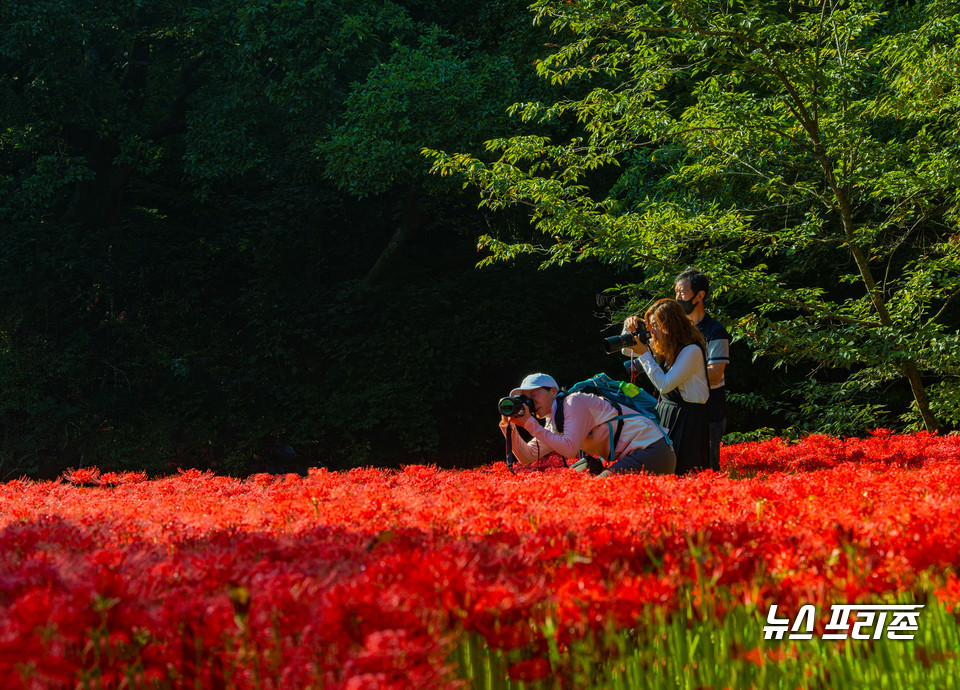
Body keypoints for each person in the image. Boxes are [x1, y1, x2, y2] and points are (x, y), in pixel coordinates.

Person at [499, 373, 675, 476]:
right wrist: (511, 428)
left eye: (534, 394)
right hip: (642, 454)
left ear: (553, 391)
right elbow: (527, 455)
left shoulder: (573, 403)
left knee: (599, 490)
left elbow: (569, 449)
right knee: (578, 481)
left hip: (652, 450)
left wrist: (530, 423)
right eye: (525, 398)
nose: (530, 401)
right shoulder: (554, 421)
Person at [622, 299, 710, 475]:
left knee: (685, 471)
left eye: (655, 325)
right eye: (650, 325)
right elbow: (627, 350)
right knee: (665, 470)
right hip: (667, 412)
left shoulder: (691, 350)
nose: (651, 331)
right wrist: (627, 327)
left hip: (688, 417)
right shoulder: (666, 346)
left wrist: (646, 355)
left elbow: (665, 385)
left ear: (670, 325)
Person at [674, 268, 731, 472]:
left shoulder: (715, 331)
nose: (678, 298)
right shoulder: (676, 331)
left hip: (709, 413)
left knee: (707, 470)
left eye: (682, 292)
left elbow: (715, 373)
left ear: (700, 295)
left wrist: (677, 374)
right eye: (676, 292)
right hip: (680, 411)